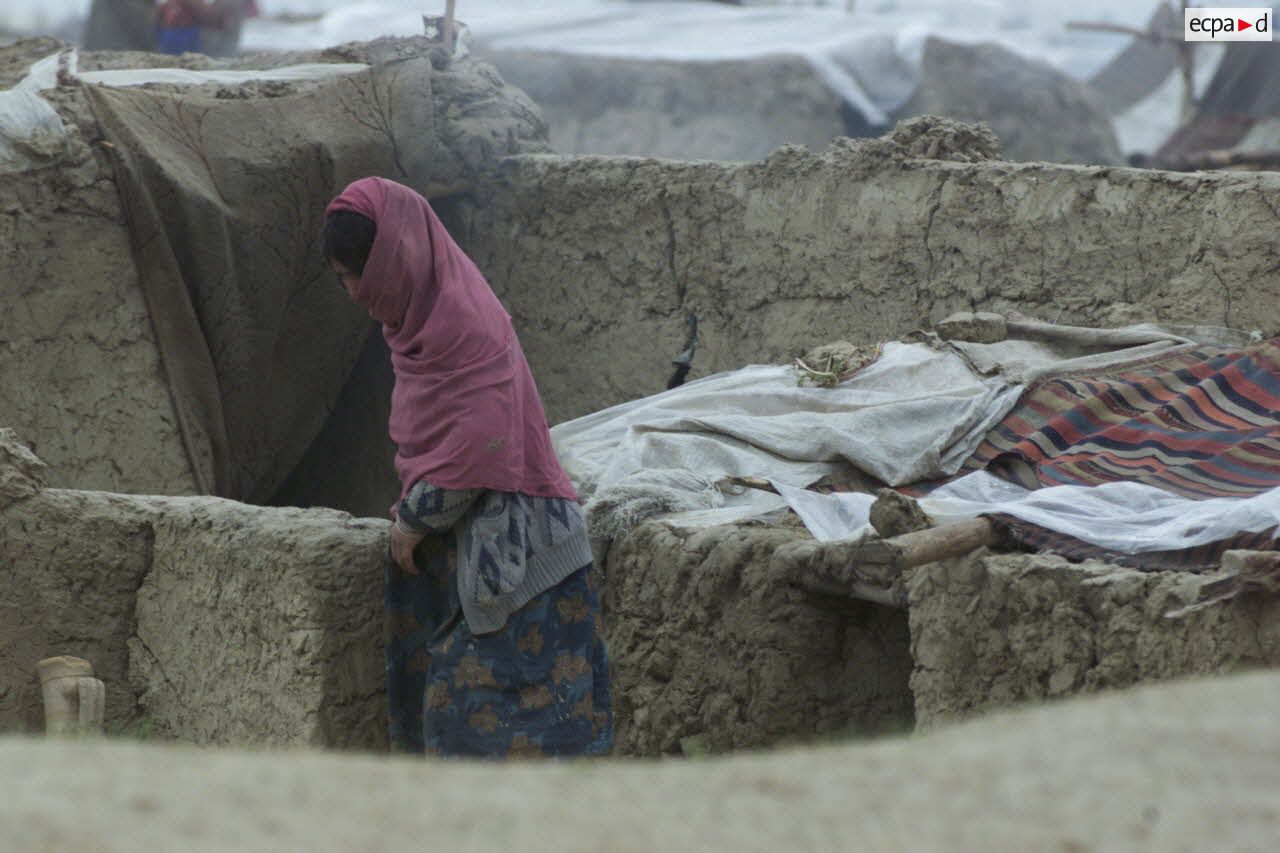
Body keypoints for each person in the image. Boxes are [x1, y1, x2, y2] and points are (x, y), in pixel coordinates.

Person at [321, 177, 613, 758]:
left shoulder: (464, 324)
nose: (355, 292)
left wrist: (413, 520)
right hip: (467, 561)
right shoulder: (418, 327)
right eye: (342, 279)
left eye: (360, 273)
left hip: (524, 564)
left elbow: (481, 447)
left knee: (477, 730)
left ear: (396, 259)